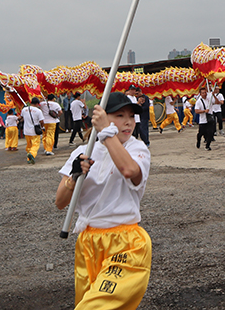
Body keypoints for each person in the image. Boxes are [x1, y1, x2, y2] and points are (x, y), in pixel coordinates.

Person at [55, 92, 151, 308]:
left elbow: (129, 170)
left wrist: (106, 134)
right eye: (119, 115)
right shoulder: (82, 152)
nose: (128, 122)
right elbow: (60, 202)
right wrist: (73, 178)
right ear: (102, 117)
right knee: (87, 301)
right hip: (88, 243)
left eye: (131, 116)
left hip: (127, 243)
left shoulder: (136, 148)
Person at [22, 98, 45, 164]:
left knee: (29, 145)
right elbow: (41, 121)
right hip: (34, 131)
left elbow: (22, 117)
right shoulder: (38, 111)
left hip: (26, 131)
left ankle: (29, 158)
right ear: (37, 104)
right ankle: (32, 154)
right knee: (35, 144)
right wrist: (42, 127)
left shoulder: (24, 110)